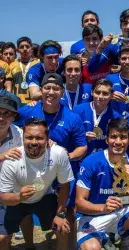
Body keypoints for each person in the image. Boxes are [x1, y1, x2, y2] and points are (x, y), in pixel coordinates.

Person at [75, 118, 129, 250]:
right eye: (113, 137)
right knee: (91, 248)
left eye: (123, 137)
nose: (118, 142)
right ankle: (105, 238)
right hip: (92, 216)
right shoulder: (91, 162)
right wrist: (103, 208)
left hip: (120, 213)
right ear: (107, 140)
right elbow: (79, 204)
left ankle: (124, 241)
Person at [0, 117, 74, 250]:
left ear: (47, 139)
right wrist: (19, 197)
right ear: (23, 138)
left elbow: (64, 186)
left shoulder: (59, 153)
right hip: (16, 198)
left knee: (62, 228)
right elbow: (3, 196)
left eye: (39, 138)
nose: (34, 142)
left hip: (44, 196)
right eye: (29, 137)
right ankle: (29, 246)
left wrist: (60, 214)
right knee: (1, 239)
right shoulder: (12, 159)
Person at [88, 9, 129, 76]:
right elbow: (92, 69)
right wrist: (100, 48)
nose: (128, 27)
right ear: (120, 26)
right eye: (125, 23)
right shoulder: (112, 44)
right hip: (119, 84)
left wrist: (124, 68)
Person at [73, 78, 120, 156]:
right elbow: (69, 135)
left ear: (111, 95)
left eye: (105, 93)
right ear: (92, 92)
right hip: (81, 158)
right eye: (97, 92)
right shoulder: (78, 110)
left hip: (102, 160)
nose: (100, 96)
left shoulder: (116, 117)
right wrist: (83, 137)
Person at [0, 95, 22, 250]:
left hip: (6, 189)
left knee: (3, 237)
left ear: (14, 116)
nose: (2, 118)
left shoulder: (19, 134)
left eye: (7, 113)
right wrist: (2, 156)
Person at [11, 37, 39, 105]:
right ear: (17, 50)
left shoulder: (38, 64)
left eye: (27, 47)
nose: (25, 49)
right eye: (22, 47)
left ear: (31, 49)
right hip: (16, 104)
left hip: (34, 104)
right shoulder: (12, 65)